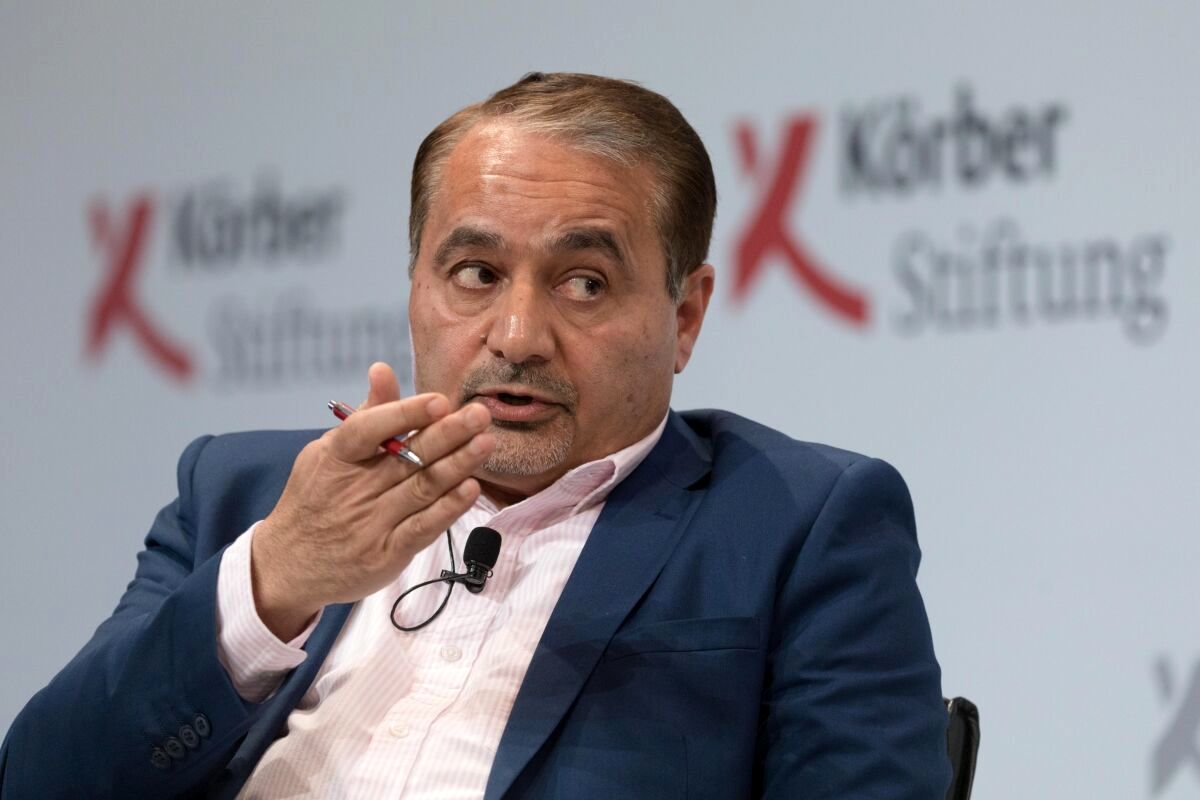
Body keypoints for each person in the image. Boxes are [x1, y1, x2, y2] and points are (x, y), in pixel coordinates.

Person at [0, 72, 951, 798]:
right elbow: (39, 779)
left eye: (585, 282)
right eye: (476, 274)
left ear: (685, 315)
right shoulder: (244, 494)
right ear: (416, 285)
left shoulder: (797, 526)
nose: (518, 336)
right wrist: (275, 581)